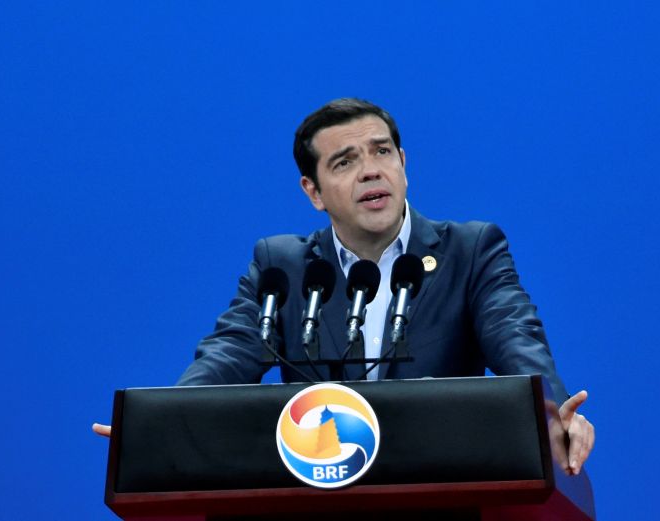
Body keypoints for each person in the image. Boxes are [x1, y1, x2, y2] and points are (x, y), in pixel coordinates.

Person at [94, 98, 594, 475]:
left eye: (381, 152)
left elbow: (515, 336)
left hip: (438, 481)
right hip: (318, 490)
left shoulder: (470, 249)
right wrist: (157, 425)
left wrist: (552, 413)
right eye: (344, 162)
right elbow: (228, 356)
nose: (370, 170)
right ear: (312, 192)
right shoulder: (284, 266)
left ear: (403, 162)